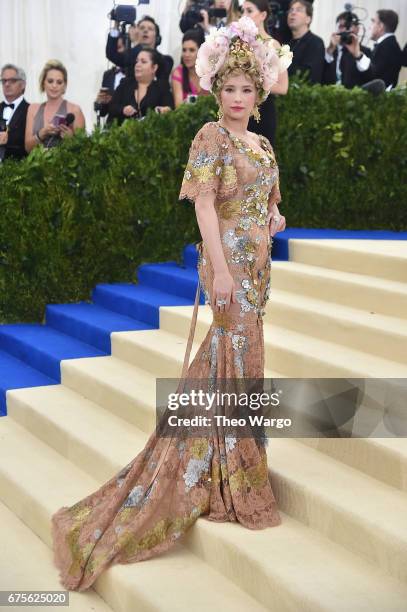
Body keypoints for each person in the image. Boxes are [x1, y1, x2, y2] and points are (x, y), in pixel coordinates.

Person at [50, 15, 291, 592]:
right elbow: (204, 206)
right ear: (216, 92)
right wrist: (223, 269)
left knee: (241, 357)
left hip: (256, 268)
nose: (236, 98)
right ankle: (232, 473)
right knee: (232, 355)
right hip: (228, 266)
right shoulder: (209, 137)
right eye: (228, 89)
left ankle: (225, 460)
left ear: (257, 96)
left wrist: (271, 223)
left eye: (246, 90)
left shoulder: (260, 142)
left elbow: (273, 203)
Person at [242, 0, 290, 148]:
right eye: (242, 11)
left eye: (249, 11)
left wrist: (253, 81)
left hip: (261, 114)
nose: (244, 16)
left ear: (263, 15)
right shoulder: (237, 42)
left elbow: (283, 87)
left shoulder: (273, 45)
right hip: (236, 109)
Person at [25, 60, 85, 153]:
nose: (54, 85)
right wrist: (42, 133)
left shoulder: (74, 110)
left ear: (64, 86)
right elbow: (28, 148)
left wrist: (71, 139)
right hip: (36, 165)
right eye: (50, 81)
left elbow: (84, 149)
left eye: (59, 82)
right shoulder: (33, 109)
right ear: (43, 83)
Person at [108, 47, 174, 125]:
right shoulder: (125, 83)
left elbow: (169, 109)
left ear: (154, 67)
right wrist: (123, 109)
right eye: (137, 61)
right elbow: (112, 107)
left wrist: (164, 110)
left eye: (143, 62)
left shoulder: (162, 88)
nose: (138, 65)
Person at [345, 9, 403, 89]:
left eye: (373, 22)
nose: (369, 27)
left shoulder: (388, 47)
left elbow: (373, 77)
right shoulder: (387, 44)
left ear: (380, 26)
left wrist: (358, 55)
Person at [106, 16, 174, 81]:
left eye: (150, 29)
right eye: (141, 28)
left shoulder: (166, 60)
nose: (145, 31)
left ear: (157, 38)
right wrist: (116, 25)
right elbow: (111, 53)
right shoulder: (129, 56)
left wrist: (136, 43)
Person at [323, 11, 372, 88]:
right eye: (341, 26)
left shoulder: (365, 52)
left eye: (348, 27)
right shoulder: (330, 50)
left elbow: (370, 77)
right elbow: (319, 72)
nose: (345, 30)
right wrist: (330, 50)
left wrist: (358, 55)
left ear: (357, 29)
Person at [287, 0, 325, 84]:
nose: (293, 13)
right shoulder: (288, 43)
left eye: (298, 10)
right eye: (291, 10)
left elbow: (310, 76)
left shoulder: (316, 42)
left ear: (308, 19)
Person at [172, 29, 209, 107]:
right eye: (184, 50)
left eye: (191, 50)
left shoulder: (211, 71)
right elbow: (178, 107)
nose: (186, 55)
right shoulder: (178, 72)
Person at [0, 63, 29, 161]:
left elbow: (30, 143)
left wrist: (9, 138)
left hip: (18, 170)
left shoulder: (30, 110)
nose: (7, 84)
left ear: (23, 84)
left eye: (12, 80)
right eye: (4, 81)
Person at [95, 36, 126, 122]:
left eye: (119, 47)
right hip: (111, 126)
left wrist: (113, 100)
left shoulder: (135, 73)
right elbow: (103, 112)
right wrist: (100, 102)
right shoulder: (108, 74)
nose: (115, 52)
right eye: (114, 48)